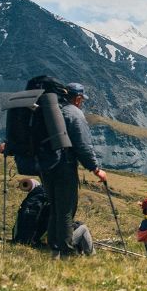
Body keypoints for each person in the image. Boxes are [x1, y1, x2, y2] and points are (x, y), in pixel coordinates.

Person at [41, 82, 107, 259]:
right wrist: (95, 168)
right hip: (64, 167)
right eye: (82, 100)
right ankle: (66, 253)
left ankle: (54, 253)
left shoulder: (50, 111)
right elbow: (82, 145)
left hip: (46, 168)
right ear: (78, 98)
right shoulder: (74, 113)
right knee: (66, 211)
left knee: (54, 209)